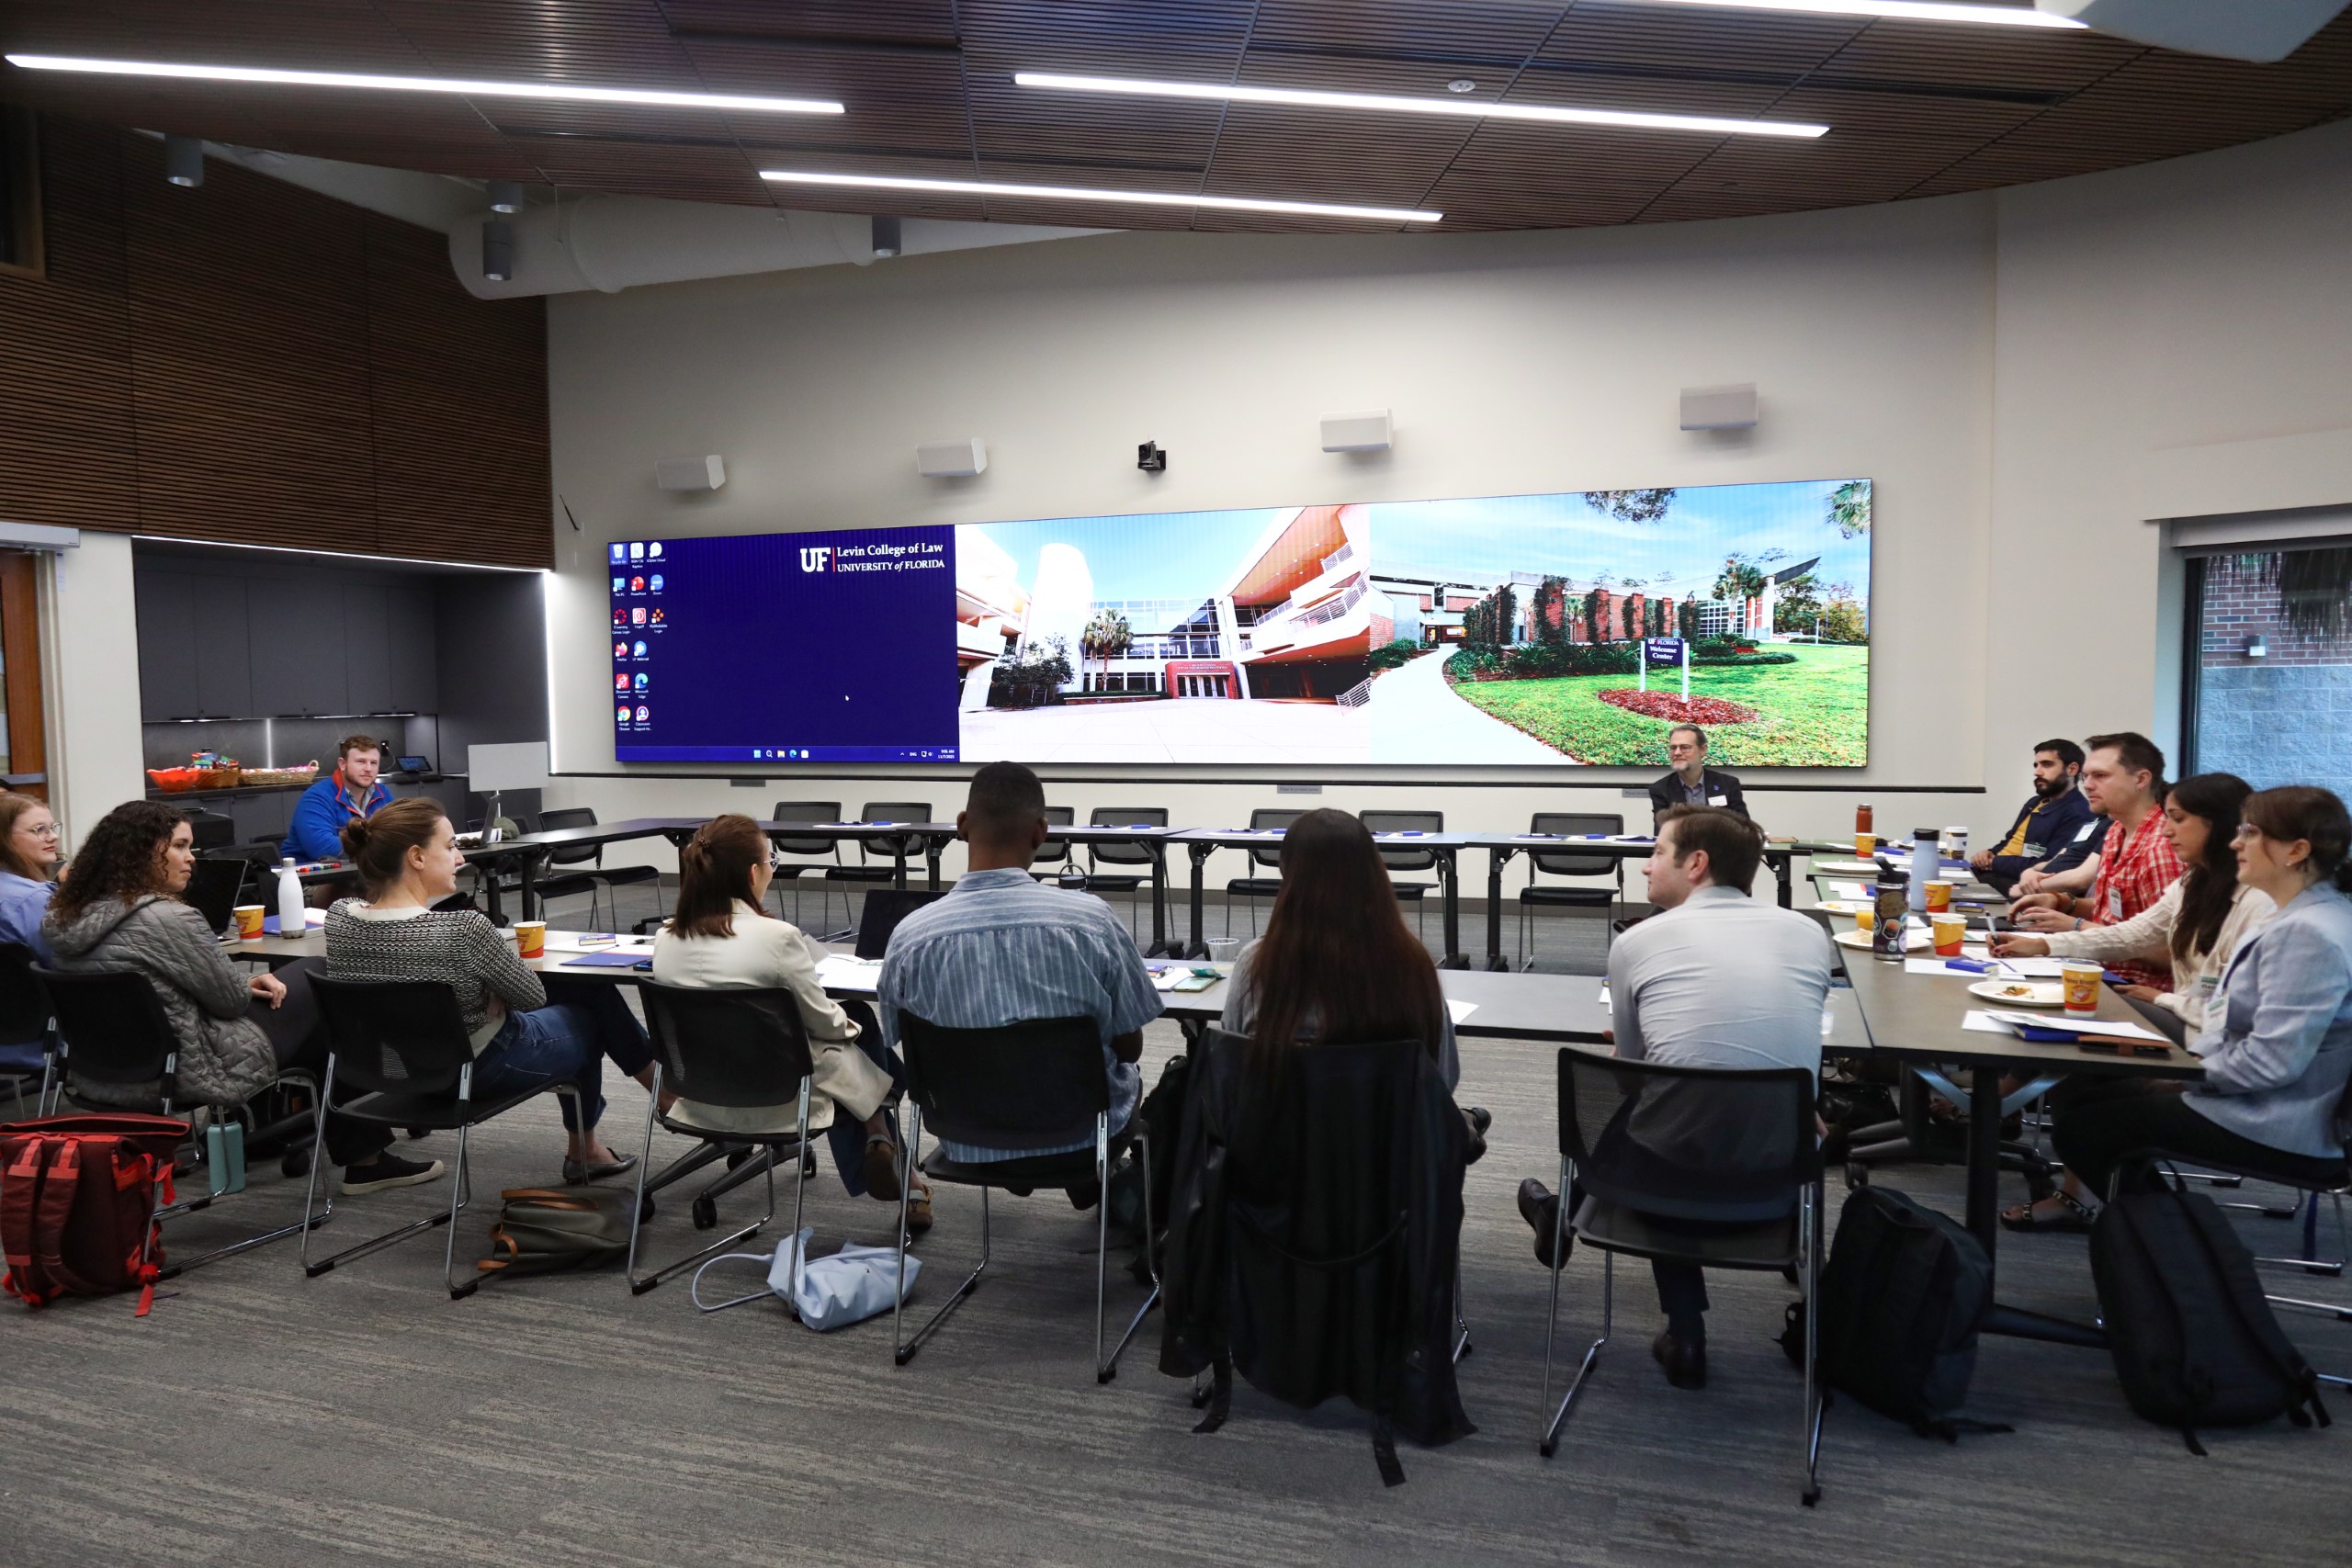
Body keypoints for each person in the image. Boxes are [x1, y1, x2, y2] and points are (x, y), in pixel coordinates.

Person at [1517, 805, 1833, 1390]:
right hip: (1780, 1174)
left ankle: (1683, 1329)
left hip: (1664, 1180)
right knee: (1698, 1106)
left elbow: (1631, 1071)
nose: (1644, 867)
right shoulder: (1808, 933)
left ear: (1697, 864)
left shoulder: (1641, 940)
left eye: (1657, 852)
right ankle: (1559, 1213)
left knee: (1669, 1116)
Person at [41, 800, 437, 1192]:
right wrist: (237, 983)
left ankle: (330, 1144)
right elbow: (229, 1003)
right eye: (179, 846)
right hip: (197, 1067)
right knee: (323, 978)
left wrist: (240, 982)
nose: (191, 858)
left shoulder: (67, 917)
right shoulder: (170, 918)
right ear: (140, 852)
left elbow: (145, 992)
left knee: (324, 1025)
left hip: (106, 1070)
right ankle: (367, 1153)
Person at [2030, 785, 2352, 1215]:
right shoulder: (2303, 914)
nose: (2236, 842)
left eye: (2251, 833)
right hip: (2255, 1094)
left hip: (2276, 1120)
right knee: (2091, 1104)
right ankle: (2157, 1231)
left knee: (2087, 1129)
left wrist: (2184, 1077)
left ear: (2296, 850)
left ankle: (2178, 1242)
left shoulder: (2306, 933)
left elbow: (2271, 1063)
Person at [1993, 773, 2275, 1229]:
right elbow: (2132, 932)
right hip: (2195, 1024)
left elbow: (2231, 1011)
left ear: (2219, 825)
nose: (2167, 830)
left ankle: (2148, 1222)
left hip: (2215, 1047)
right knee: (2081, 1055)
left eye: (2179, 820)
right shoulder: (2194, 882)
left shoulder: (2259, 903)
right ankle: (2116, 1208)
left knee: (2082, 1038)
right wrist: (2044, 946)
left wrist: (2165, 999)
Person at [325, 798, 653, 1183]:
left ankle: (631, 1110)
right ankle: (593, 1144)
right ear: (416, 857)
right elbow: (532, 996)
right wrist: (488, 993)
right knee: (587, 1010)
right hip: (476, 1071)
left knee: (579, 993)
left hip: (392, 1070)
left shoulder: (340, 918)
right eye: (449, 846)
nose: (460, 857)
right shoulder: (463, 929)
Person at [876, 761, 1161, 1201]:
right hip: (1081, 1134)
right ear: (1041, 832)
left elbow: (902, 1045)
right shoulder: (1092, 922)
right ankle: (1094, 1180)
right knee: (1136, 1077)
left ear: (962, 827)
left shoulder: (910, 936)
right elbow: (1130, 1047)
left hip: (965, 1139)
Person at [651, 814, 930, 1229]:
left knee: (852, 1030)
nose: (772, 869)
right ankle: (888, 1133)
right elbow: (825, 1025)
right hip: (781, 1095)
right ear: (753, 872)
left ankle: (887, 1134)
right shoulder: (777, 937)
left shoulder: (666, 938)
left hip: (700, 1091)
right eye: (771, 860)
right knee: (858, 1025)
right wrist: (850, 1030)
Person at [1217, 808, 1487, 1157]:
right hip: (1387, 1182)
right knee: (1460, 1121)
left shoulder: (1257, 963)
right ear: (1373, 873)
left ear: (1288, 876)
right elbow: (1442, 1080)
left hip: (1276, 1181)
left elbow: (1229, 1075)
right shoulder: (1413, 965)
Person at [2007, 732, 2181, 990]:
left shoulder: (2161, 848)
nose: (2087, 784)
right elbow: (2117, 913)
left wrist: (2078, 927)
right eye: (2087, 776)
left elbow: (2174, 956)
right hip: (2096, 969)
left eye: (2101, 776)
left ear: (2141, 779)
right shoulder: (2116, 832)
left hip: (2134, 989)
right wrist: (2064, 903)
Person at [1973, 739, 2093, 896]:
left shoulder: (2078, 813)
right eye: (2036, 765)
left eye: (2047, 764)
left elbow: (2050, 865)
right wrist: (1989, 853)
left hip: (2022, 884)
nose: (2037, 772)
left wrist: (1994, 863)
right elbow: (2010, 841)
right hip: (1999, 871)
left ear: (2072, 769)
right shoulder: (2035, 803)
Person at [0, 793, 62, 1077]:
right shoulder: (32, 900)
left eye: (52, 827)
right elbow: (65, 966)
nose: (52, 837)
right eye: (39, 830)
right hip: (40, 1040)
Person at [281, 734, 393, 862]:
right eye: (361, 762)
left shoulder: (383, 793)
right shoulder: (317, 797)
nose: (368, 769)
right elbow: (324, 849)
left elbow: (399, 835)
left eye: (373, 763)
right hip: (312, 876)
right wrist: (382, 846)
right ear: (342, 764)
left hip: (363, 871)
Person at [1646, 725, 1748, 827]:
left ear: (1702, 750)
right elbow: (1662, 832)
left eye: (1685, 748)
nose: (1677, 753)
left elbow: (1744, 826)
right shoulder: (1660, 789)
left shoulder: (1727, 784)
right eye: (1673, 748)